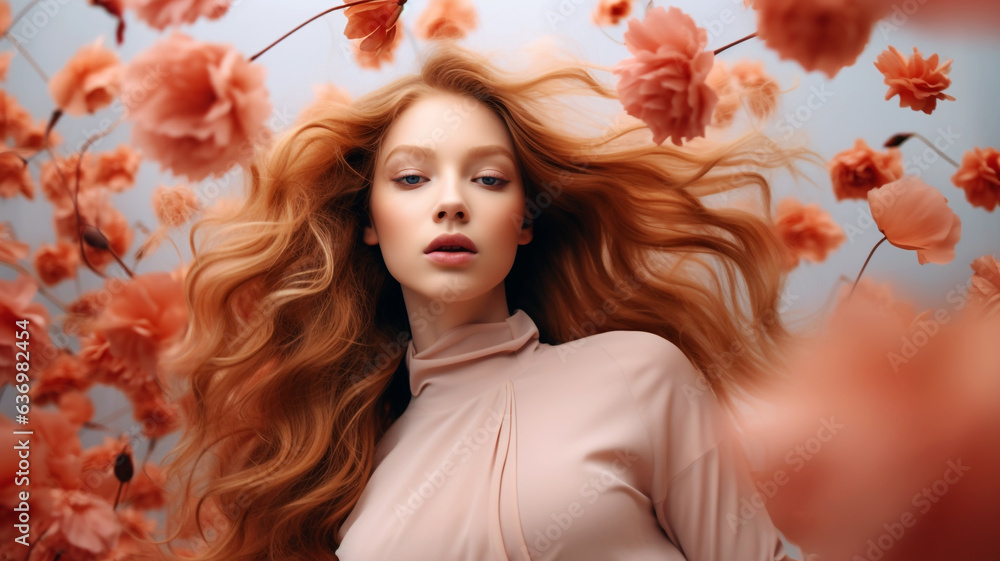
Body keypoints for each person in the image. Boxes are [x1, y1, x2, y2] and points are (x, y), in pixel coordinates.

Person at [156, 41, 808, 561]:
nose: (451, 201)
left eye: (489, 178)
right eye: (411, 178)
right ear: (369, 220)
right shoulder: (353, 485)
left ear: (524, 218)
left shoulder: (639, 374)